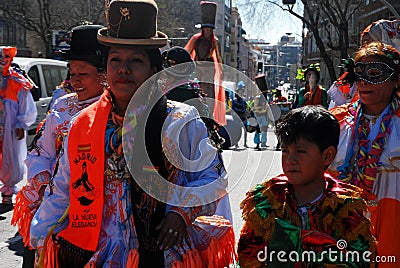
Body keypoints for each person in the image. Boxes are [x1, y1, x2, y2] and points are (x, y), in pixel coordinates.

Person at [30, 1, 236, 267]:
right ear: (106, 70)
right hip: (99, 252)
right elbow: (62, 191)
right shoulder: (83, 124)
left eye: (135, 61)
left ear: (153, 71)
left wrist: (180, 214)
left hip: (161, 252)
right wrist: (39, 237)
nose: (123, 69)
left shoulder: (179, 121)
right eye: (116, 60)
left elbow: (211, 177)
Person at [11, 24, 106, 267]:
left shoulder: (114, 111)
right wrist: (43, 186)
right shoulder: (62, 106)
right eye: (71, 73)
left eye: (82, 74)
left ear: (104, 75)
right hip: (54, 199)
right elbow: (40, 151)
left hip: (97, 206)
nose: (74, 81)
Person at [238, 106, 376, 267]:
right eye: (284, 151)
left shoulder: (345, 206)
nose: (290, 160)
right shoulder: (267, 201)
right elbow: (248, 255)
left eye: (300, 151)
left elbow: (362, 259)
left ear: (327, 156)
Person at [329, 41, 400, 266]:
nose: (363, 81)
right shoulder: (335, 121)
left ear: (396, 79)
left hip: (393, 226)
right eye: (358, 73)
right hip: (342, 227)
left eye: (375, 73)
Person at [0, 46, 37, 204]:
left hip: (10, 127)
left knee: (11, 157)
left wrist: (22, 124)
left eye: (6, 57)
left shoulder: (17, 81)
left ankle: (7, 191)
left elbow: (26, 105)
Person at [184, 1, 226, 127]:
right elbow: (188, 52)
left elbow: (218, 56)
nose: (208, 32)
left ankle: (209, 116)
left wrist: (222, 70)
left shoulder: (215, 41)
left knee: (209, 93)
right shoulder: (196, 39)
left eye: (210, 30)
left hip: (209, 69)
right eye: (206, 29)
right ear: (203, 29)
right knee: (196, 89)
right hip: (197, 67)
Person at [252, 74, 269, 149]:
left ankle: (263, 142)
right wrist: (262, 108)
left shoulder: (264, 98)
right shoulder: (257, 98)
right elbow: (255, 107)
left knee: (264, 129)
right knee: (258, 130)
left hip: (264, 115)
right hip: (258, 115)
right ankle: (258, 143)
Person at [232, 82, 248, 148]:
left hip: (243, 117)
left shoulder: (244, 100)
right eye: (240, 91)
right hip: (237, 118)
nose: (241, 93)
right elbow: (232, 109)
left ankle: (245, 143)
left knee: (245, 131)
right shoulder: (234, 100)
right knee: (237, 131)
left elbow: (246, 108)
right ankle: (236, 143)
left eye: (242, 91)